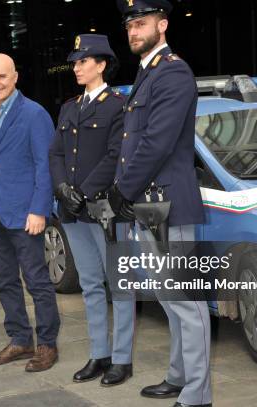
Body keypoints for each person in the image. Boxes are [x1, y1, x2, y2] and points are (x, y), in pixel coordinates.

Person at [112, 1, 213, 407]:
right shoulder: (147, 72)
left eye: (142, 23)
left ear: (163, 24)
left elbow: (157, 141)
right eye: (130, 25)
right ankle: (179, 376)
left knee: (186, 303)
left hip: (167, 204)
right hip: (151, 206)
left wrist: (124, 188)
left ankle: (198, 395)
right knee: (170, 300)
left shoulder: (172, 71)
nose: (134, 31)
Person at [49, 34, 135, 386]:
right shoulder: (69, 107)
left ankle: (123, 359)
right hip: (72, 211)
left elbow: (117, 155)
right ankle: (99, 353)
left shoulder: (117, 105)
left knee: (120, 285)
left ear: (101, 64)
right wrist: (62, 189)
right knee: (90, 284)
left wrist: (81, 191)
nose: (76, 67)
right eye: (74, 62)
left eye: (83, 61)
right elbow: (56, 153)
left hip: (103, 210)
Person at [0, 53, 60, 372]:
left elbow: (44, 166)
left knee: (37, 281)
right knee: (5, 281)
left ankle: (47, 344)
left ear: (15, 77)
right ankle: (20, 339)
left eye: (1, 77)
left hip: (24, 215)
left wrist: (39, 209)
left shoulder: (34, 114)